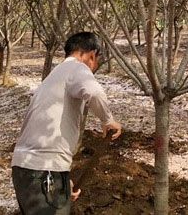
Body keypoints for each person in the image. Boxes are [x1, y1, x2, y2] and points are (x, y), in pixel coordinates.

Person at [12, 32, 122, 214]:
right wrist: (108, 120)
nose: (93, 68)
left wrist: (62, 180)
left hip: (27, 170)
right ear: (92, 55)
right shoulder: (77, 68)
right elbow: (94, 93)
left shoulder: (55, 76)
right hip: (42, 172)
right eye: (96, 63)